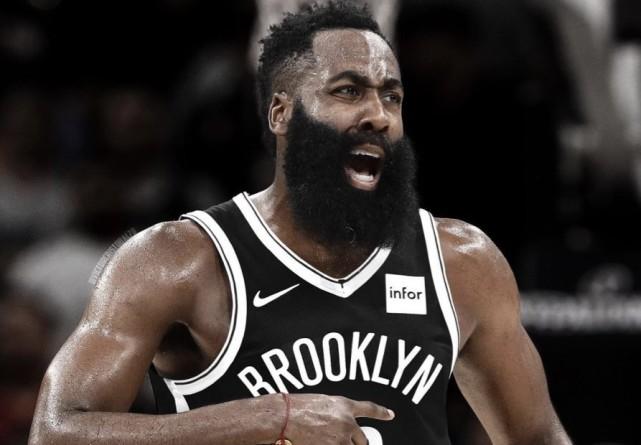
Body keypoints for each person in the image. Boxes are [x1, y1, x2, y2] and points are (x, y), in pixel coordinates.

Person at [29, 2, 572, 444]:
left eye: (392, 96)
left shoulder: (461, 262)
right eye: (348, 91)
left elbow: (537, 436)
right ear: (281, 113)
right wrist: (269, 418)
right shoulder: (179, 260)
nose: (379, 114)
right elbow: (57, 433)